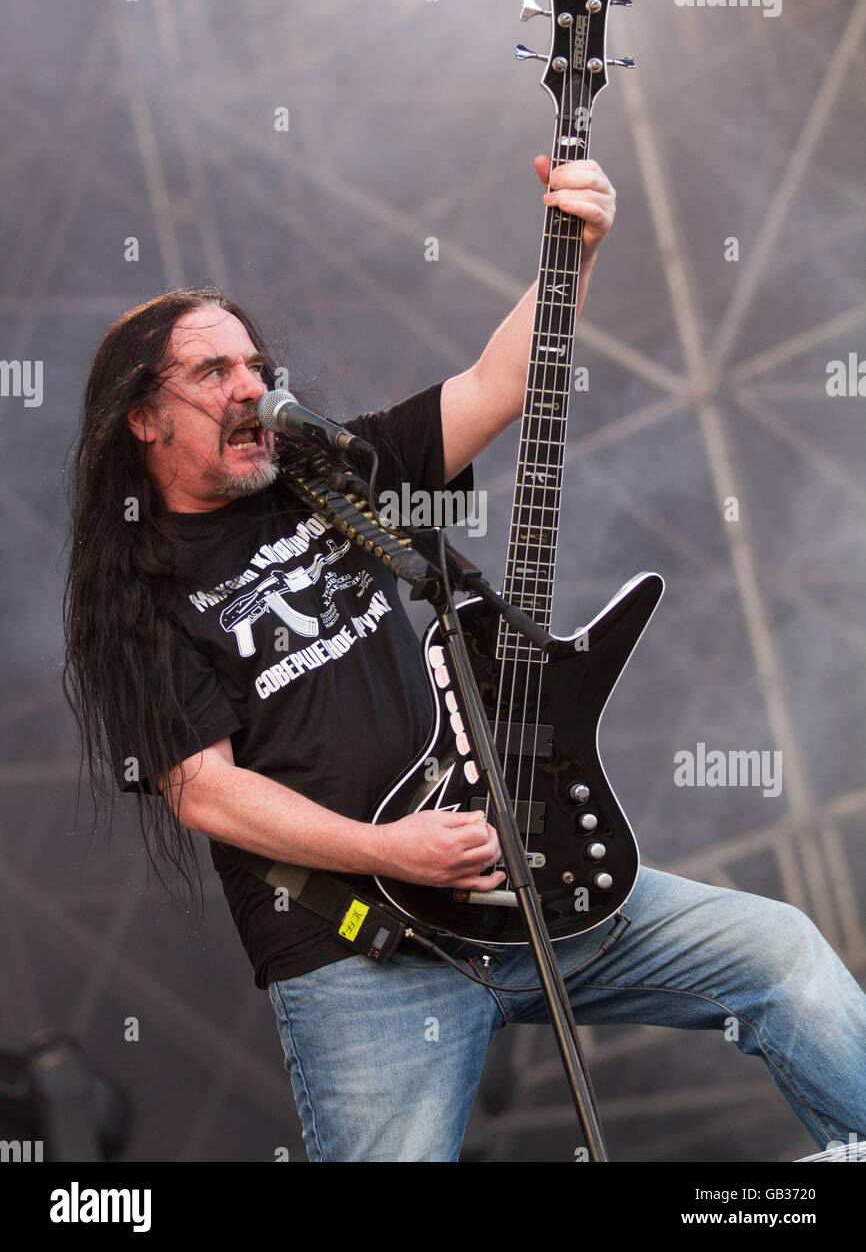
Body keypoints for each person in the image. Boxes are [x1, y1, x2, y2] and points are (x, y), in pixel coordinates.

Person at [64, 155, 866, 1164]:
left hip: (513, 885)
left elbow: (495, 385)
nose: (250, 388)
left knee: (780, 954)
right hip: (361, 950)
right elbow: (205, 795)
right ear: (143, 416)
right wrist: (389, 851)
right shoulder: (135, 600)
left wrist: (570, 252)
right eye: (212, 373)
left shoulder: (334, 477)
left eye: (256, 368)